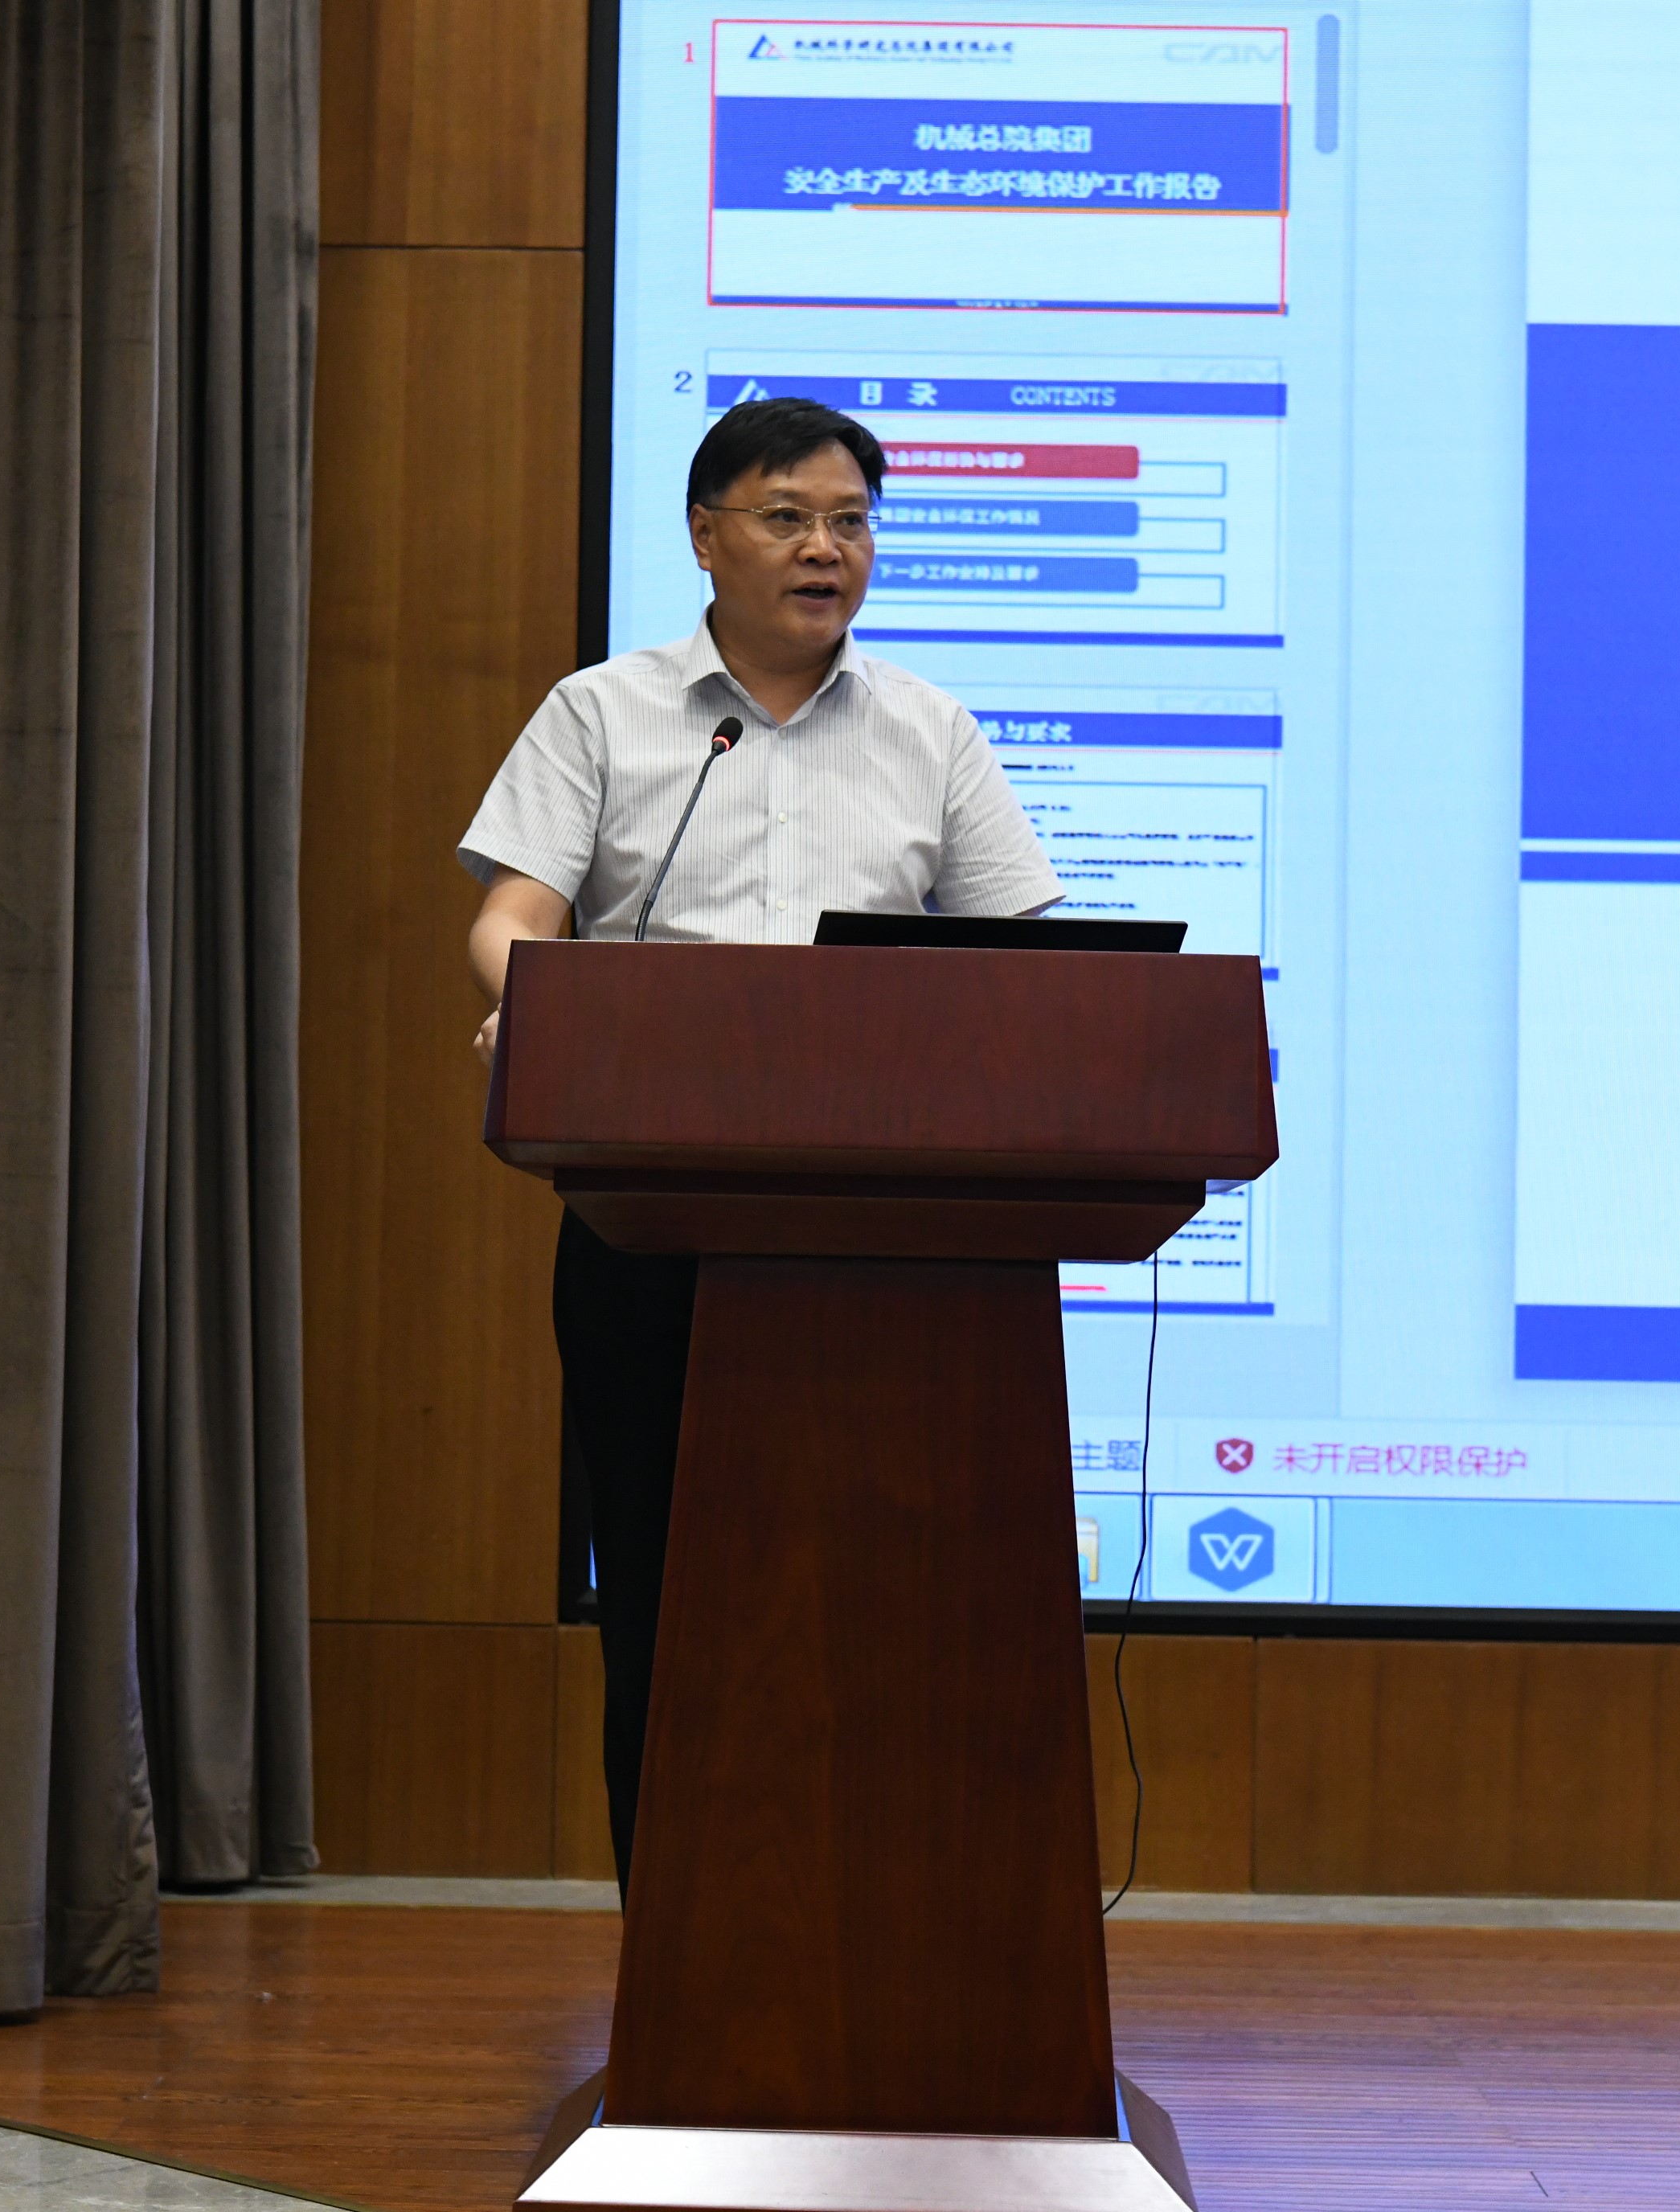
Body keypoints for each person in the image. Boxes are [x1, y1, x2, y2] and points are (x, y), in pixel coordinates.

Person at [455, 398, 1062, 1890]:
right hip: (650, 1227)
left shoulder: (928, 730)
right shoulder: (603, 713)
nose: (824, 548)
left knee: (889, 1604)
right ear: (704, 535)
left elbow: (1032, 969)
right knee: (666, 1596)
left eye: (850, 522)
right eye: (788, 517)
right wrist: (547, 1011)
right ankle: (673, 1934)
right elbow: (513, 916)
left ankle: (883, 1922)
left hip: (892, 1247)